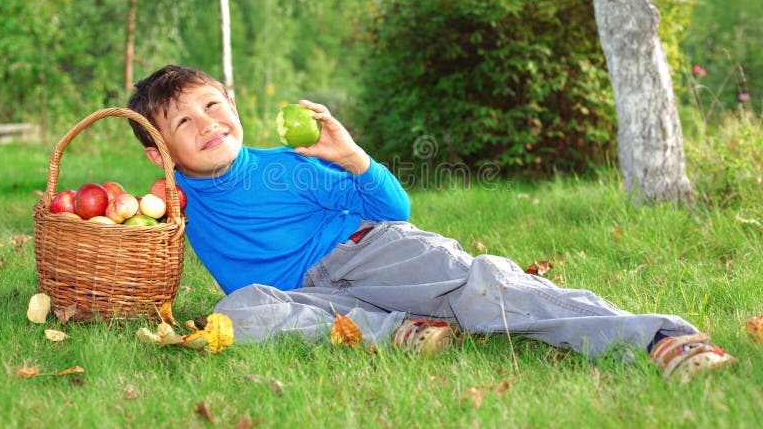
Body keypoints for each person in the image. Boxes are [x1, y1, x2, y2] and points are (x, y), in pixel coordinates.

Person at [128, 64, 736, 382]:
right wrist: (138, 209)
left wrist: (354, 159)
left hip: (367, 253)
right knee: (235, 313)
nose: (207, 124)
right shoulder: (171, 202)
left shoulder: (290, 166)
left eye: (213, 106)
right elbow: (133, 244)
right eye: (183, 122)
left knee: (482, 292)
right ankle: (393, 330)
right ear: (160, 150)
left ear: (233, 107)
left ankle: (655, 337)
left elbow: (396, 209)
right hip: (305, 295)